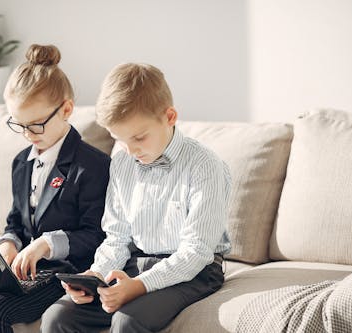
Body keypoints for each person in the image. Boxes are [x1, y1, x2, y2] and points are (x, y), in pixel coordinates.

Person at [41, 63, 232, 333]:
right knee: (57, 318)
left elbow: (197, 251)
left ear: (170, 116)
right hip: (136, 263)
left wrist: (140, 286)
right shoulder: (121, 164)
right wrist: (95, 275)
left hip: (196, 271)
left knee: (128, 320)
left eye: (139, 138)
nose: (131, 150)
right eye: (120, 140)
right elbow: (117, 238)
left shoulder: (204, 166)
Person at [0, 44, 110, 333]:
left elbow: (96, 234)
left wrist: (46, 243)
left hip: (66, 271)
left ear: (66, 109)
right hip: (23, 273)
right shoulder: (21, 162)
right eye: (19, 125)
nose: (27, 135)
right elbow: (16, 221)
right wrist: (8, 243)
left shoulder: (93, 165)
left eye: (35, 125)